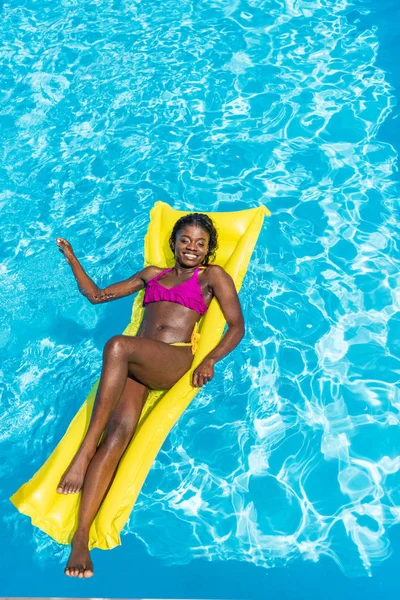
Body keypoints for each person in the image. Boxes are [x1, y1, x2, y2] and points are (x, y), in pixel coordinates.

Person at [54, 213, 245, 578]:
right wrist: (72, 258)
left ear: (209, 250)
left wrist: (211, 360)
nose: (192, 247)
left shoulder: (212, 276)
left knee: (117, 345)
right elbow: (96, 296)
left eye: (200, 243)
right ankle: (81, 538)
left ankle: (82, 453)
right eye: (185, 240)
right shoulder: (151, 274)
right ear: (173, 243)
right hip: (138, 363)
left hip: (172, 361)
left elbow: (237, 326)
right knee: (117, 437)